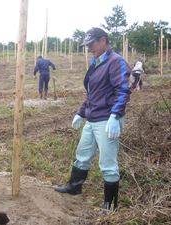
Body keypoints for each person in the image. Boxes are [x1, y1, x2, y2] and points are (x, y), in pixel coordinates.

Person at [54, 27, 131, 211]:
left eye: (91, 44)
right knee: (82, 154)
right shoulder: (96, 62)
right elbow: (92, 94)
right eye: (87, 46)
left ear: (103, 40)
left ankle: (110, 205)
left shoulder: (116, 62)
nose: (89, 49)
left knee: (108, 163)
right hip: (93, 117)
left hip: (107, 120)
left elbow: (123, 91)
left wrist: (115, 115)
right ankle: (74, 187)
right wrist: (81, 112)